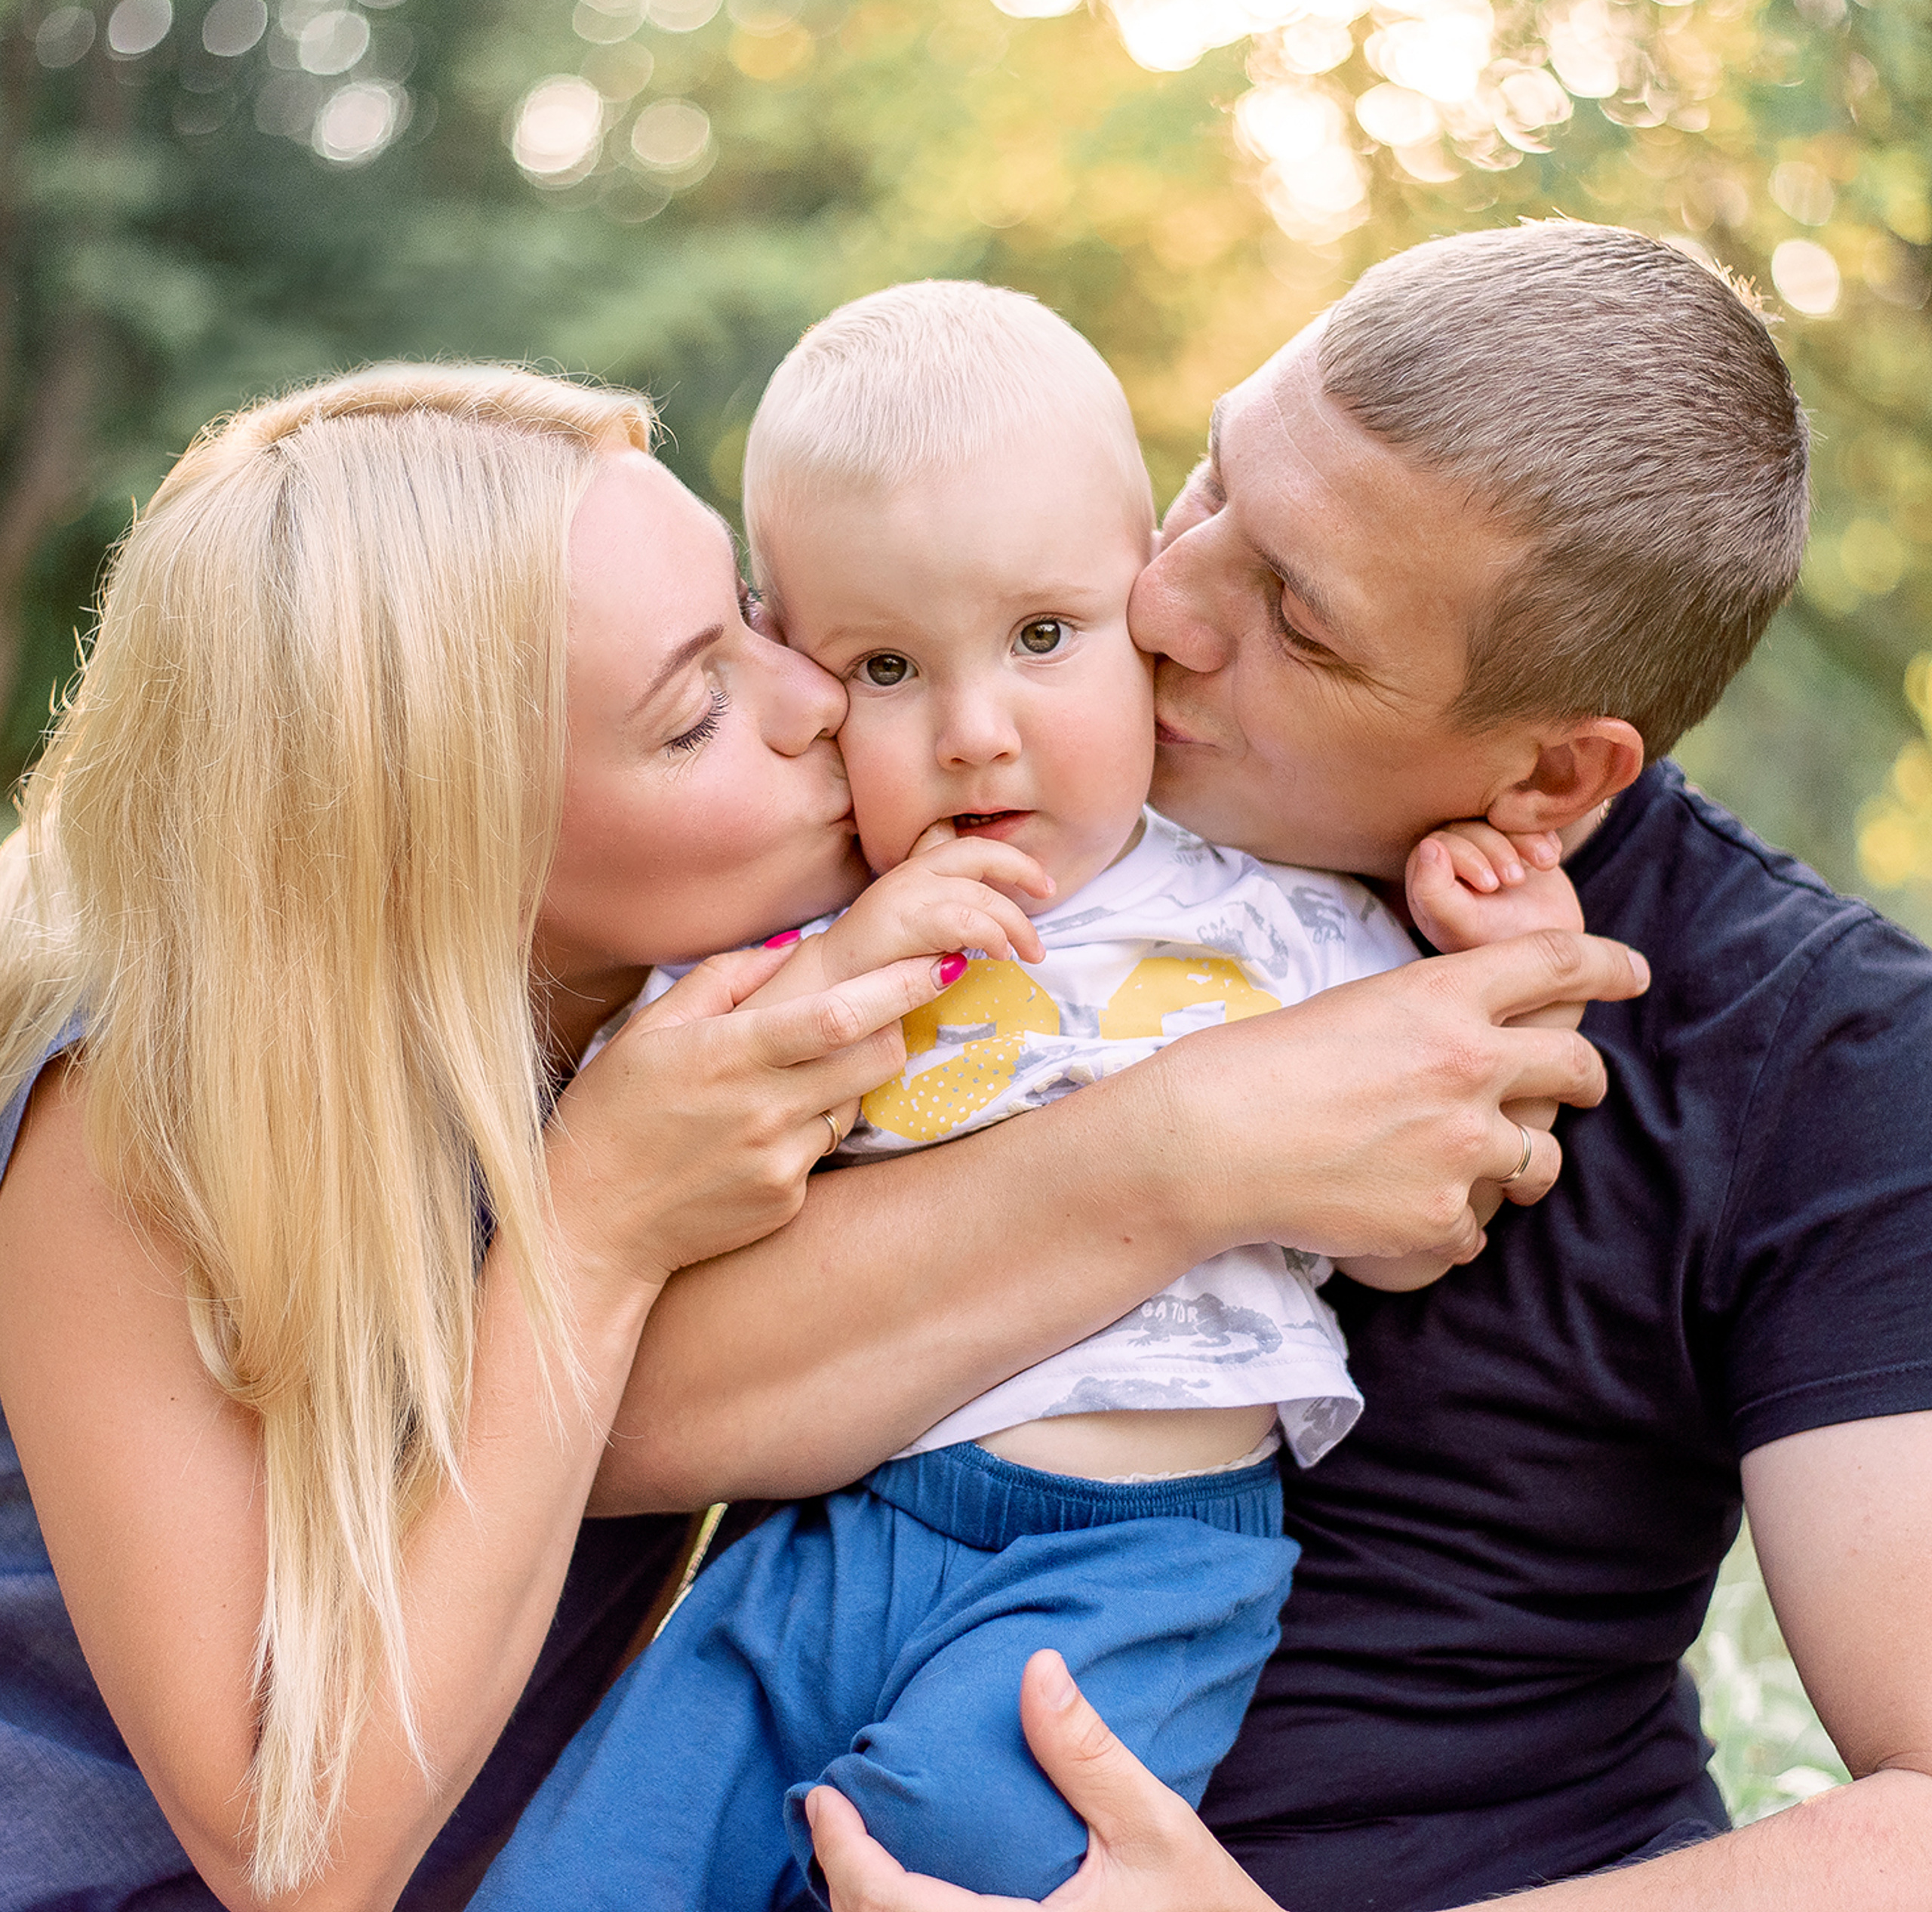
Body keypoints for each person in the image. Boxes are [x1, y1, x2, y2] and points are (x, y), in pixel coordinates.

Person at [0, 358, 1633, 1911]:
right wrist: (593, 1226)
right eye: (693, 707)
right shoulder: (131, 1124)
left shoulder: (742, 984)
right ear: (447, 851)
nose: (815, 705)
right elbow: (295, 1856)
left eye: (755, 622)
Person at [605, 223, 1932, 1911]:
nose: (1160, 606)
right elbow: (589, 1418)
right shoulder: (946, 788)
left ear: (1550, 770)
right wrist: (1186, 1151)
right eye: (1211, 484)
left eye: (1293, 620)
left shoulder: (1819, 1050)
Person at [473, 282, 1588, 1908]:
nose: (976, 730)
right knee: (591, 1866)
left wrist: (1521, 944)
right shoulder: (799, 929)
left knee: (969, 1850)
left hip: (1137, 1546)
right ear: (791, 653)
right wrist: (847, 950)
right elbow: (676, 1166)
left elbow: (1423, 1217)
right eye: (881, 664)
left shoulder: (1290, 912)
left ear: (1142, 596)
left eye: (1043, 637)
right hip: (824, 1525)